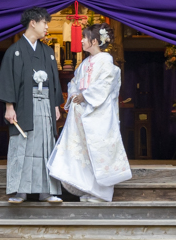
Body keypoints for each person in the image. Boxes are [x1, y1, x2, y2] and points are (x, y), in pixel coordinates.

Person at [48, 23, 132, 202]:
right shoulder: (85, 62)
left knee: (98, 151)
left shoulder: (106, 61)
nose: (81, 41)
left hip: (98, 114)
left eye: (84, 38)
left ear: (94, 41)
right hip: (82, 113)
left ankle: (101, 193)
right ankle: (88, 189)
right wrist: (74, 96)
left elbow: (104, 86)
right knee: (85, 152)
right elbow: (74, 83)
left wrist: (84, 96)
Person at [0, 6, 64, 203]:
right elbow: (8, 79)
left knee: (45, 145)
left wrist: (55, 105)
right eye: (44, 23)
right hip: (24, 105)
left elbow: (54, 80)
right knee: (22, 145)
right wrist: (9, 106)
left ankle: (46, 191)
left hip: (45, 104)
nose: (47, 27)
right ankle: (20, 191)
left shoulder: (47, 51)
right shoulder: (14, 51)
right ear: (33, 23)